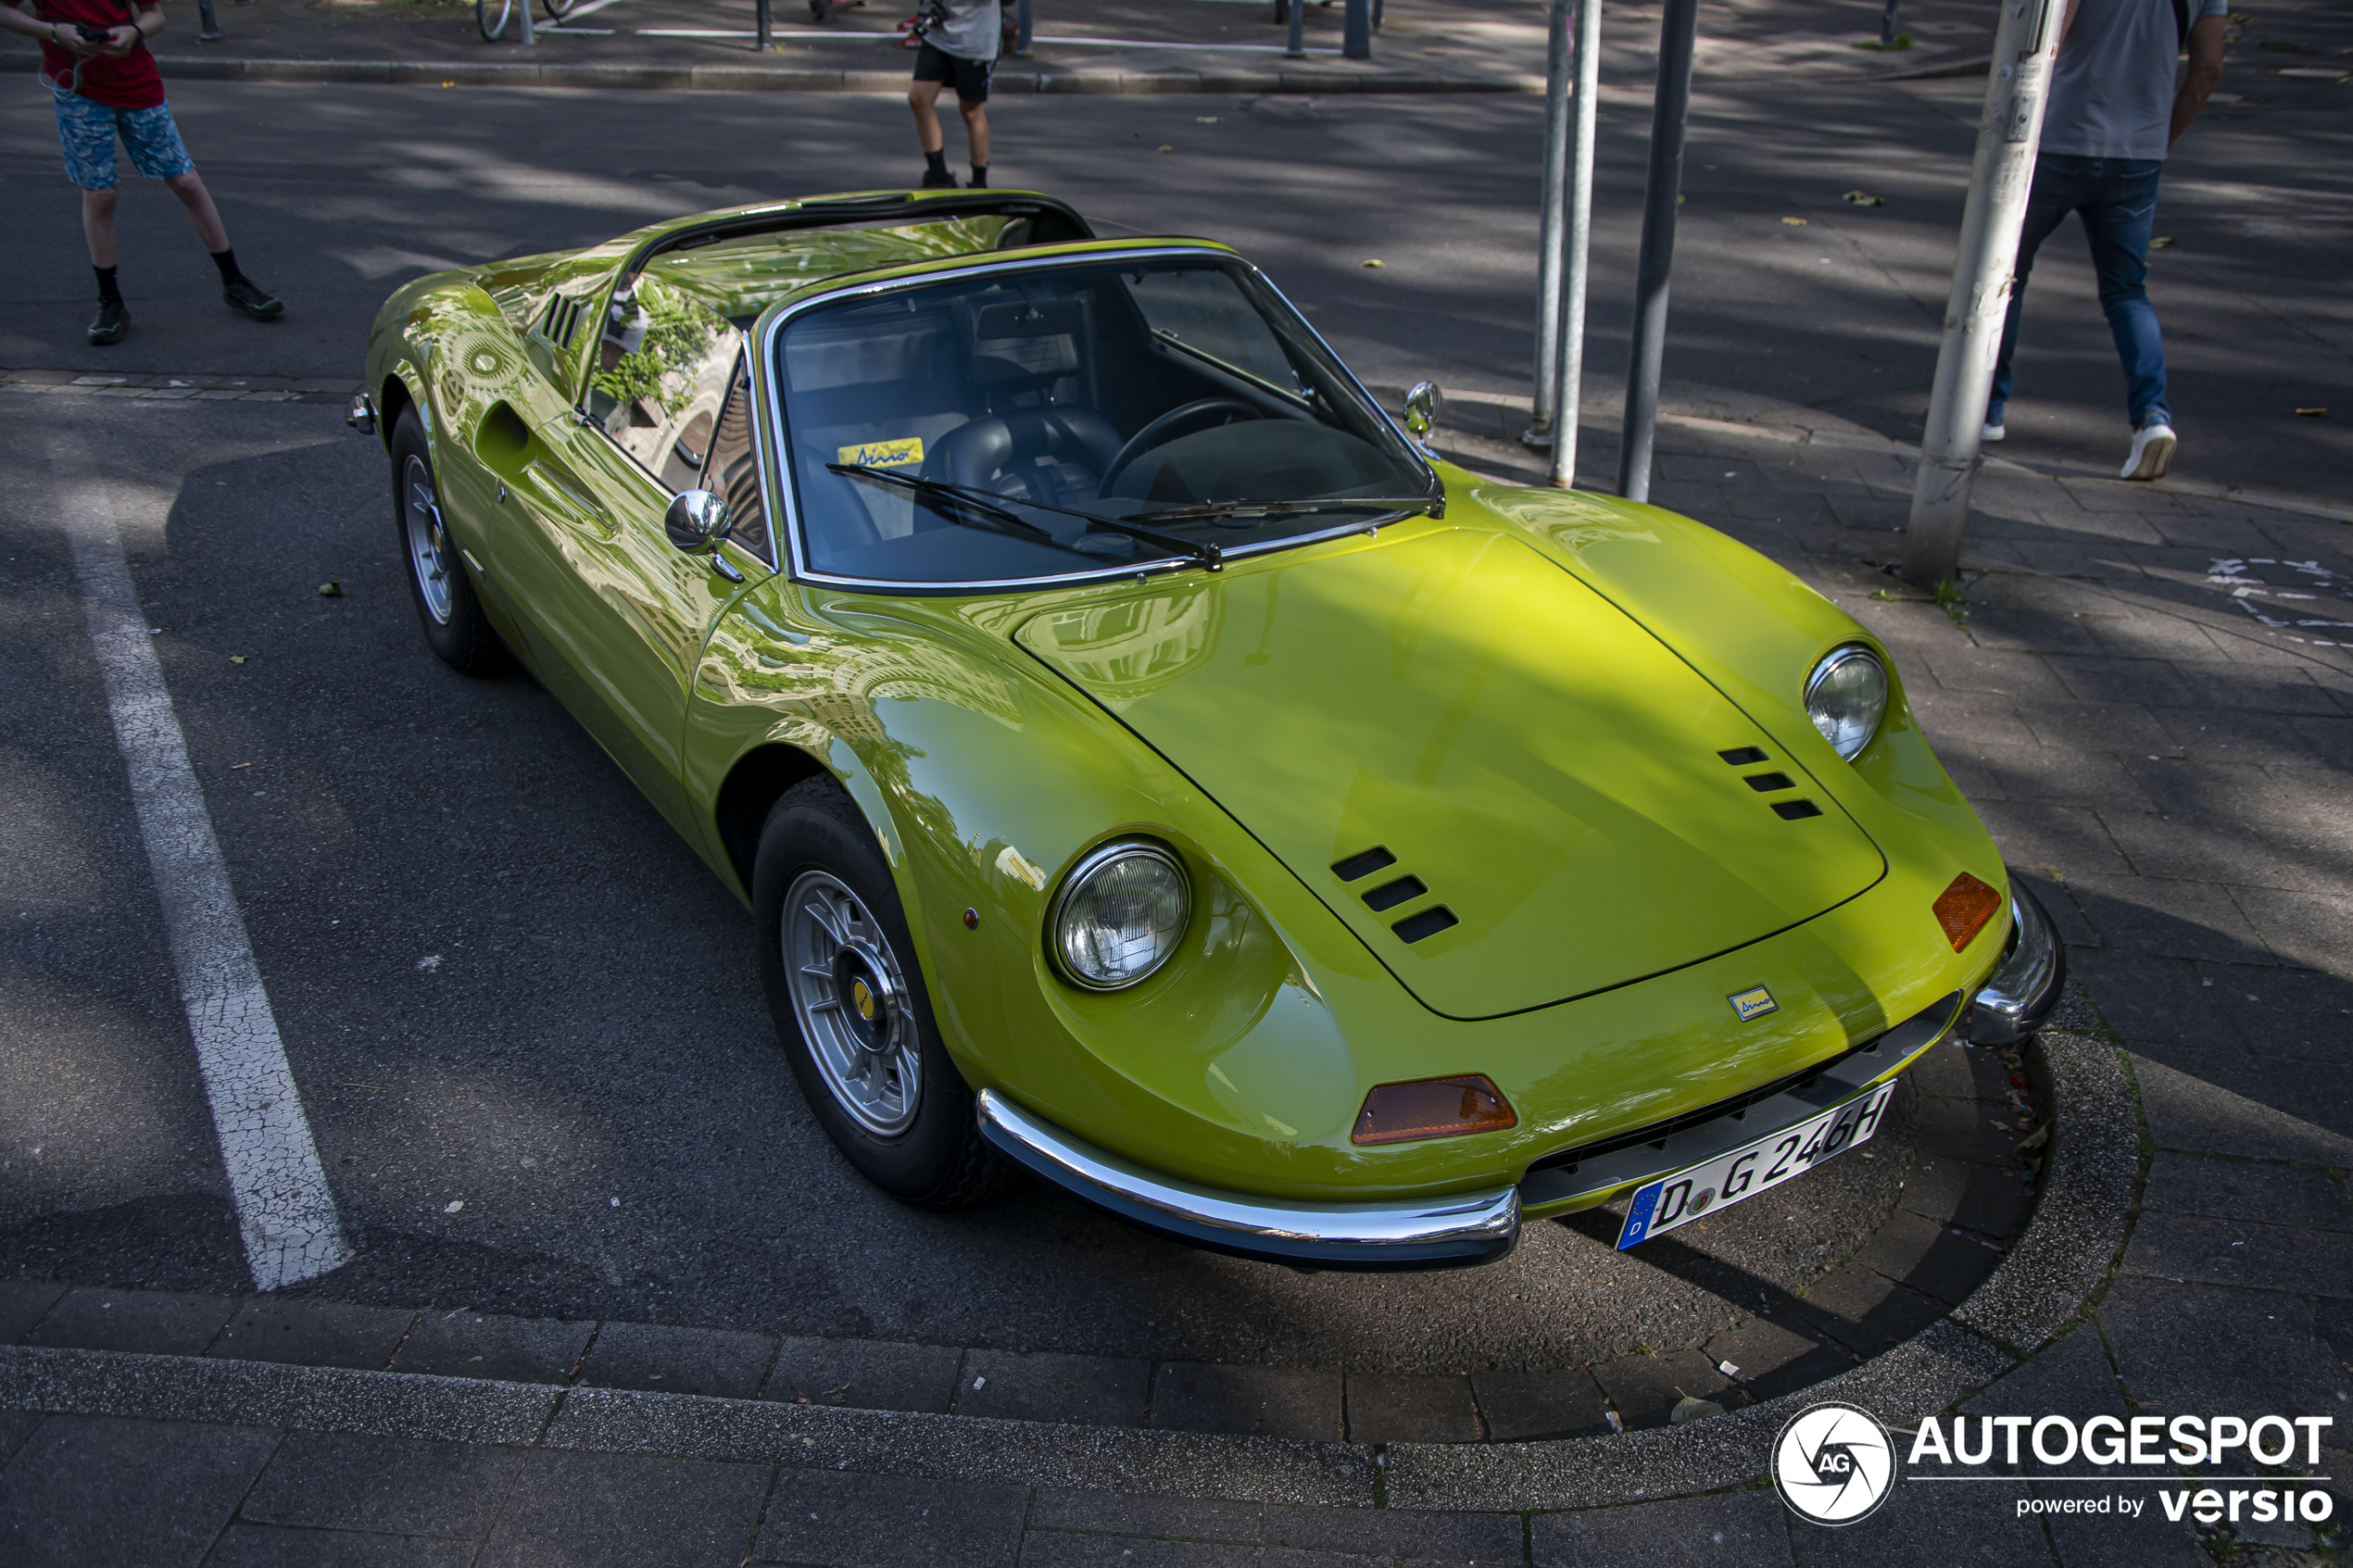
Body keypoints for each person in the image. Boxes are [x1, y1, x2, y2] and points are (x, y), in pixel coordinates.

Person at [1984, 0, 2226, 481]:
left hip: (2057, 142)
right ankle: (2151, 419)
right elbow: (2209, 67)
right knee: (2126, 292)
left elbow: (2045, 43)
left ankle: (1987, 408)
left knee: (2006, 275)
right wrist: (2159, 140)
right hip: (2138, 156)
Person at [3, 0, 283, 346]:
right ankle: (110, 303)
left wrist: (133, 31)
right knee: (100, 194)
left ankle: (235, 282)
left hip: (136, 83)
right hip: (78, 90)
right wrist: (54, 32)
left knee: (185, 180)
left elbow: (155, 15)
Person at [906, 0, 1000, 191]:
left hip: (975, 38)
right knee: (919, 98)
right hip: (938, 31)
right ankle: (938, 177)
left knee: (970, 110)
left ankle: (979, 184)